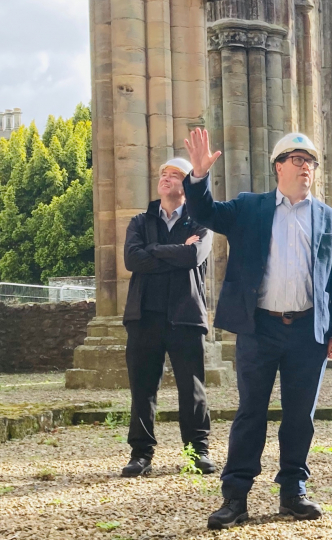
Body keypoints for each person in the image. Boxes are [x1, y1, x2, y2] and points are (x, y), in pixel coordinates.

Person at [181, 129, 332, 530]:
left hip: (308, 330)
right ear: (279, 166)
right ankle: (235, 497)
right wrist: (199, 177)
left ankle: (293, 491)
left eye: (310, 161)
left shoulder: (329, 218)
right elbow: (205, 214)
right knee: (250, 413)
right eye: (297, 159)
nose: (306, 166)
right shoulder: (250, 208)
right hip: (259, 327)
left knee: (299, 416)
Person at [121, 157, 215, 478]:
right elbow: (133, 259)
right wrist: (172, 249)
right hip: (144, 314)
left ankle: (197, 452)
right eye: (164, 173)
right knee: (143, 388)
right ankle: (140, 455)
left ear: (186, 187)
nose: (167, 178)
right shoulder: (139, 221)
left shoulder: (200, 223)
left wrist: (155, 249)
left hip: (186, 315)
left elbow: (193, 255)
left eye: (175, 175)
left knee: (192, 388)